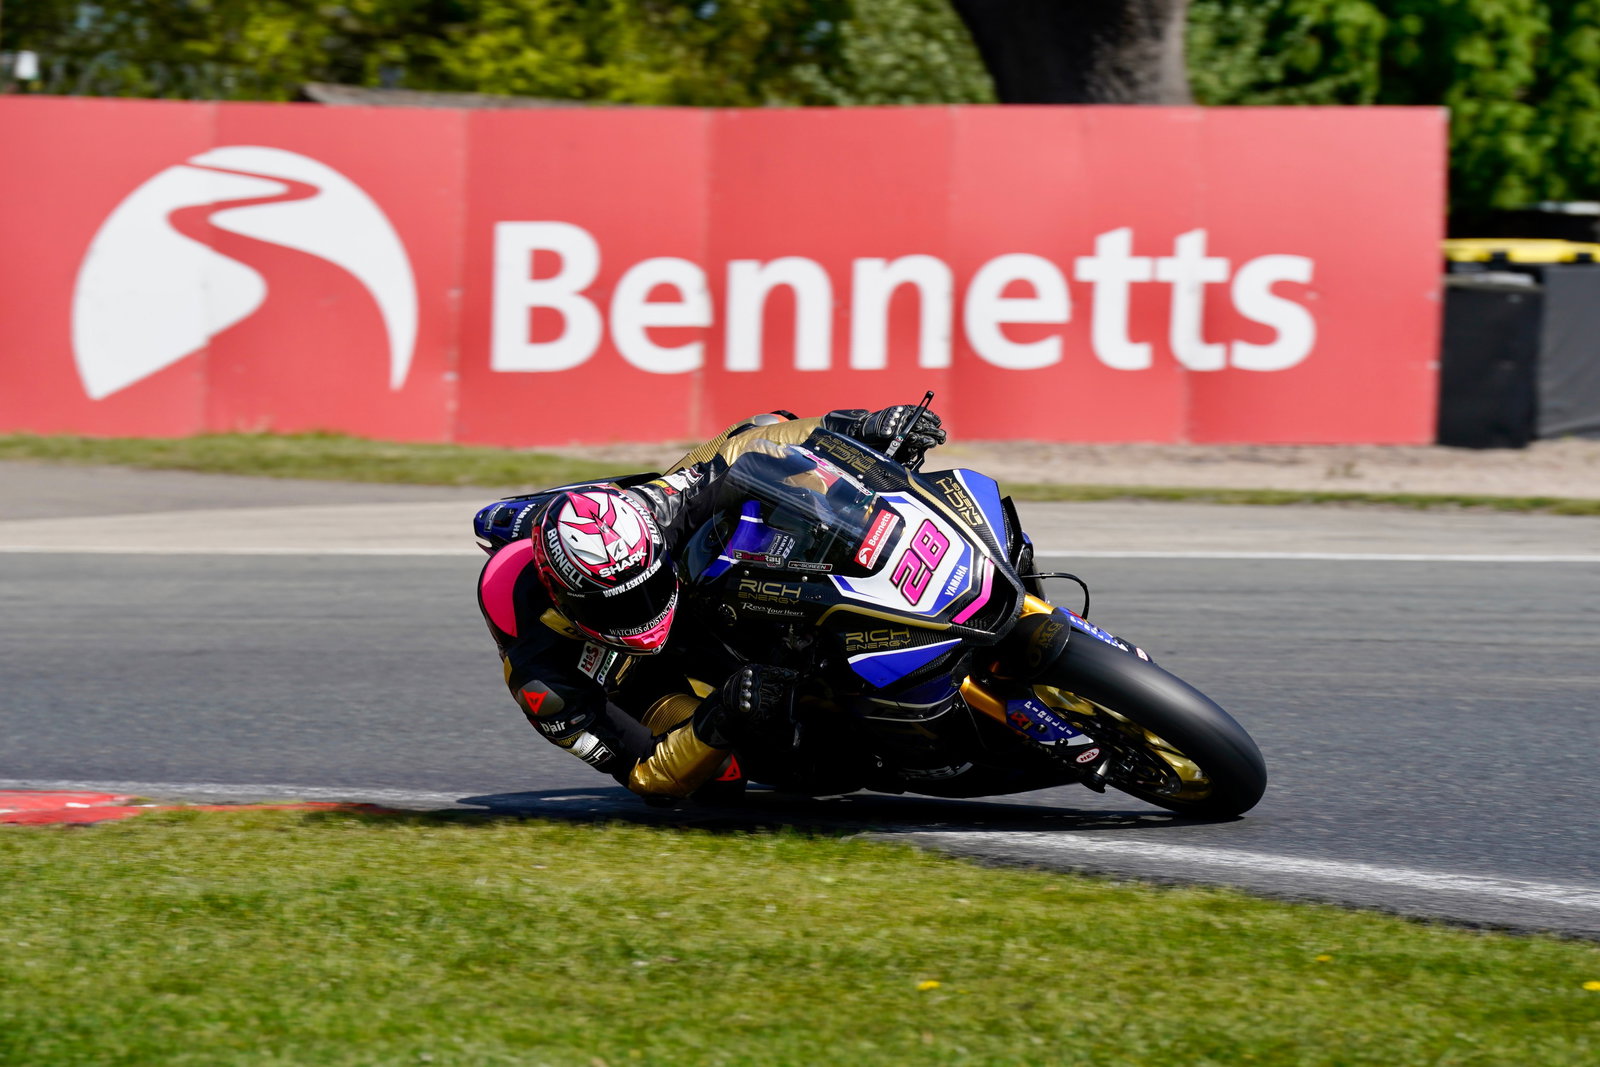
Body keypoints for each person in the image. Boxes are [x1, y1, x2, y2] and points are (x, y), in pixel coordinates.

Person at [473, 405, 947, 803]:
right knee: (725, 778)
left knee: (776, 448)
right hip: (643, 681)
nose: (642, 609)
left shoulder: (653, 509)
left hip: (695, 590)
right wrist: (721, 715)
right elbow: (645, 776)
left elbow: (745, 445)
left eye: (645, 586)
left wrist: (854, 428)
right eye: (619, 607)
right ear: (565, 598)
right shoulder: (543, 679)